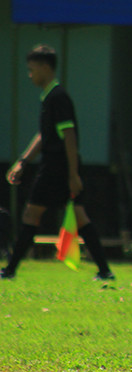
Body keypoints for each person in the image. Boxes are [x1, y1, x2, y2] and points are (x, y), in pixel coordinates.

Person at [2, 45, 114, 281]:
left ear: (45, 67)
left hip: (57, 165)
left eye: (32, 70)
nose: (30, 75)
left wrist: (73, 174)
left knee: (31, 213)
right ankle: (104, 271)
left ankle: (9, 269)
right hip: (60, 164)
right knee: (80, 216)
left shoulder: (58, 97)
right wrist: (23, 161)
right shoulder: (49, 97)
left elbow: (69, 135)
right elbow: (45, 134)